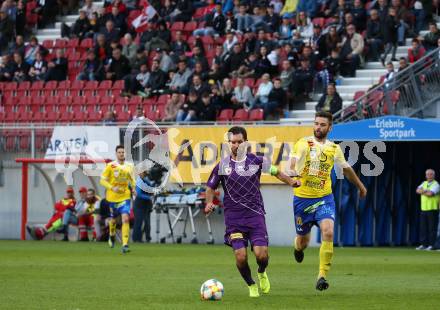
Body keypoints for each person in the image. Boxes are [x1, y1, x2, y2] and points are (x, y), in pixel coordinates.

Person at [204, 126, 301, 298]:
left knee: (261, 255)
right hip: (234, 218)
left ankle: (262, 271)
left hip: (255, 215)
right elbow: (210, 187)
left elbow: (277, 172)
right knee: (241, 257)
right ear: (229, 144)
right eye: (232, 142)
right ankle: (251, 284)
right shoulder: (222, 165)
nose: (236, 145)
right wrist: (209, 203)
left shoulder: (256, 161)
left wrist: (291, 182)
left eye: (239, 142)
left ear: (246, 143)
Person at [288, 111, 367, 291]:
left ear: (329, 127)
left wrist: (361, 187)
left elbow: (347, 170)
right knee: (303, 242)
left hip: (324, 199)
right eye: (316, 123)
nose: (318, 127)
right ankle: (297, 247)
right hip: (303, 201)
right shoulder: (303, 143)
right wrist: (291, 171)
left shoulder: (334, 148)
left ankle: (322, 276)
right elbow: (291, 163)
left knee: (328, 232)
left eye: (322, 124)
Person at [100, 145, 135, 253]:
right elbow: (102, 180)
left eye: (123, 152)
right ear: (116, 154)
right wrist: (112, 187)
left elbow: (132, 180)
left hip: (125, 197)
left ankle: (124, 244)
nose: (121, 154)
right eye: (119, 152)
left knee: (125, 218)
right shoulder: (110, 166)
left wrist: (133, 189)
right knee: (113, 221)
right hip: (112, 198)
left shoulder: (130, 166)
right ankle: (111, 234)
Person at [415, 169, 439, 251]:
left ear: (434, 175)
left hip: (432, 209)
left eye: (431, 174)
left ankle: (432, 245)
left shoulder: (436, 184)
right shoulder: (424, 183)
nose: (429, 176)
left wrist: (423, 191)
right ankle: (423, 244)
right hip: (424, 209)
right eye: (428, 174)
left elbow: (431, 194)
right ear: (425, 175)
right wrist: (425, 191)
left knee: (432, 228)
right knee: (423, 228)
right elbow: (417, 190)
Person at [133, 170, 154, 243]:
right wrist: (149, 197)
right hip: (139, 204)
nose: (143, 174)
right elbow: (138, 194)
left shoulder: (146, 181)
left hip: (146, 205)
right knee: (138, 222)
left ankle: (147, 238)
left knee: (147, 223)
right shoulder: (139, 181)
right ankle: (136, 239)